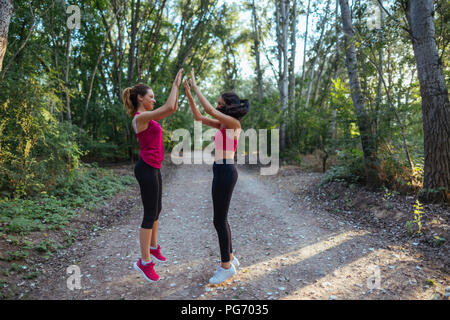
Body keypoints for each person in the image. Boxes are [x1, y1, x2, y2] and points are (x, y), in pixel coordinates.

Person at [184, 69, 250, 284]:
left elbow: (208, 109)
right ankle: (230, 258)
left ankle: (226, 266)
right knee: (221, 219)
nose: (218, 105)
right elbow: (199, 116)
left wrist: (195, 86)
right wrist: (189, 94)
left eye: (221, 103)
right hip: (220, 170)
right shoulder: (224, 123)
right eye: (218, 103)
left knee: (219, 220)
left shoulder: (233, 124)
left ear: (227, 105)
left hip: (225, 171)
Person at [122, 69, 183, 282]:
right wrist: (175, 84)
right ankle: (144, 262)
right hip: (146, 168)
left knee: (157, 209)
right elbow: (168, 107)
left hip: (153, 167)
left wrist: (177, 87)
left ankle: (154, 246)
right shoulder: (141, 117)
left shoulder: (147, 116)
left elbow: (172, 107)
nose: (154, 100)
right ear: (140, 98)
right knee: (149, 214)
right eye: (151, 96)